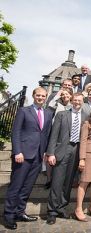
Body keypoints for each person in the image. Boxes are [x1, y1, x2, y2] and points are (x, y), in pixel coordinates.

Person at [3, 88, 53, 230]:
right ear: (33, 96)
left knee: (27, 186)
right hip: (23, 155)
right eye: (38, 95)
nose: (40, 98)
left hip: (38, 155)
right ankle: (9, 215)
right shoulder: (24, 111)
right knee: (16, 185)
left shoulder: (48, 114)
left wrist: (45, 151)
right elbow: (16, 132)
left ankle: (20, 211)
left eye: (43, 96)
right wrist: (17, 151)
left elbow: (47, 134)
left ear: (46, 97)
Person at [46, 93, 89, 225]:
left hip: (76, 151)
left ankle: (62, 208)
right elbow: (54, 136)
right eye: (75, 100)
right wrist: (51, 153)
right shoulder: (62, 115)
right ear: (71, 101)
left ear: (83, 102)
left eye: (79, 100)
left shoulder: (86, 118)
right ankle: (52, 211)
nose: (77, 102)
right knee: (57, 182)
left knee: (69, 181)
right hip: (62, 150)